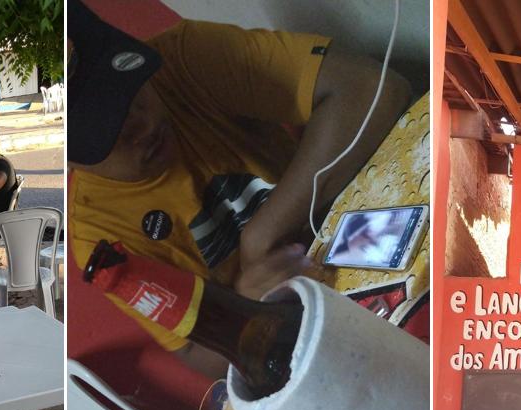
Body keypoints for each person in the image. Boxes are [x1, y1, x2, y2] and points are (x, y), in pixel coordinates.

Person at [67, 0, 412, 377]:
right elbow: (202, 358)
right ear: (71, 158)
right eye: (110, 130)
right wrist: (249, 306)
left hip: (375, 234)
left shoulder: (183, 56)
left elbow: (374, 88)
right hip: (310, 336)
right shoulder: (99, 239)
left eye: (131, 90)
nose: (143, 125)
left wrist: (263, 232)